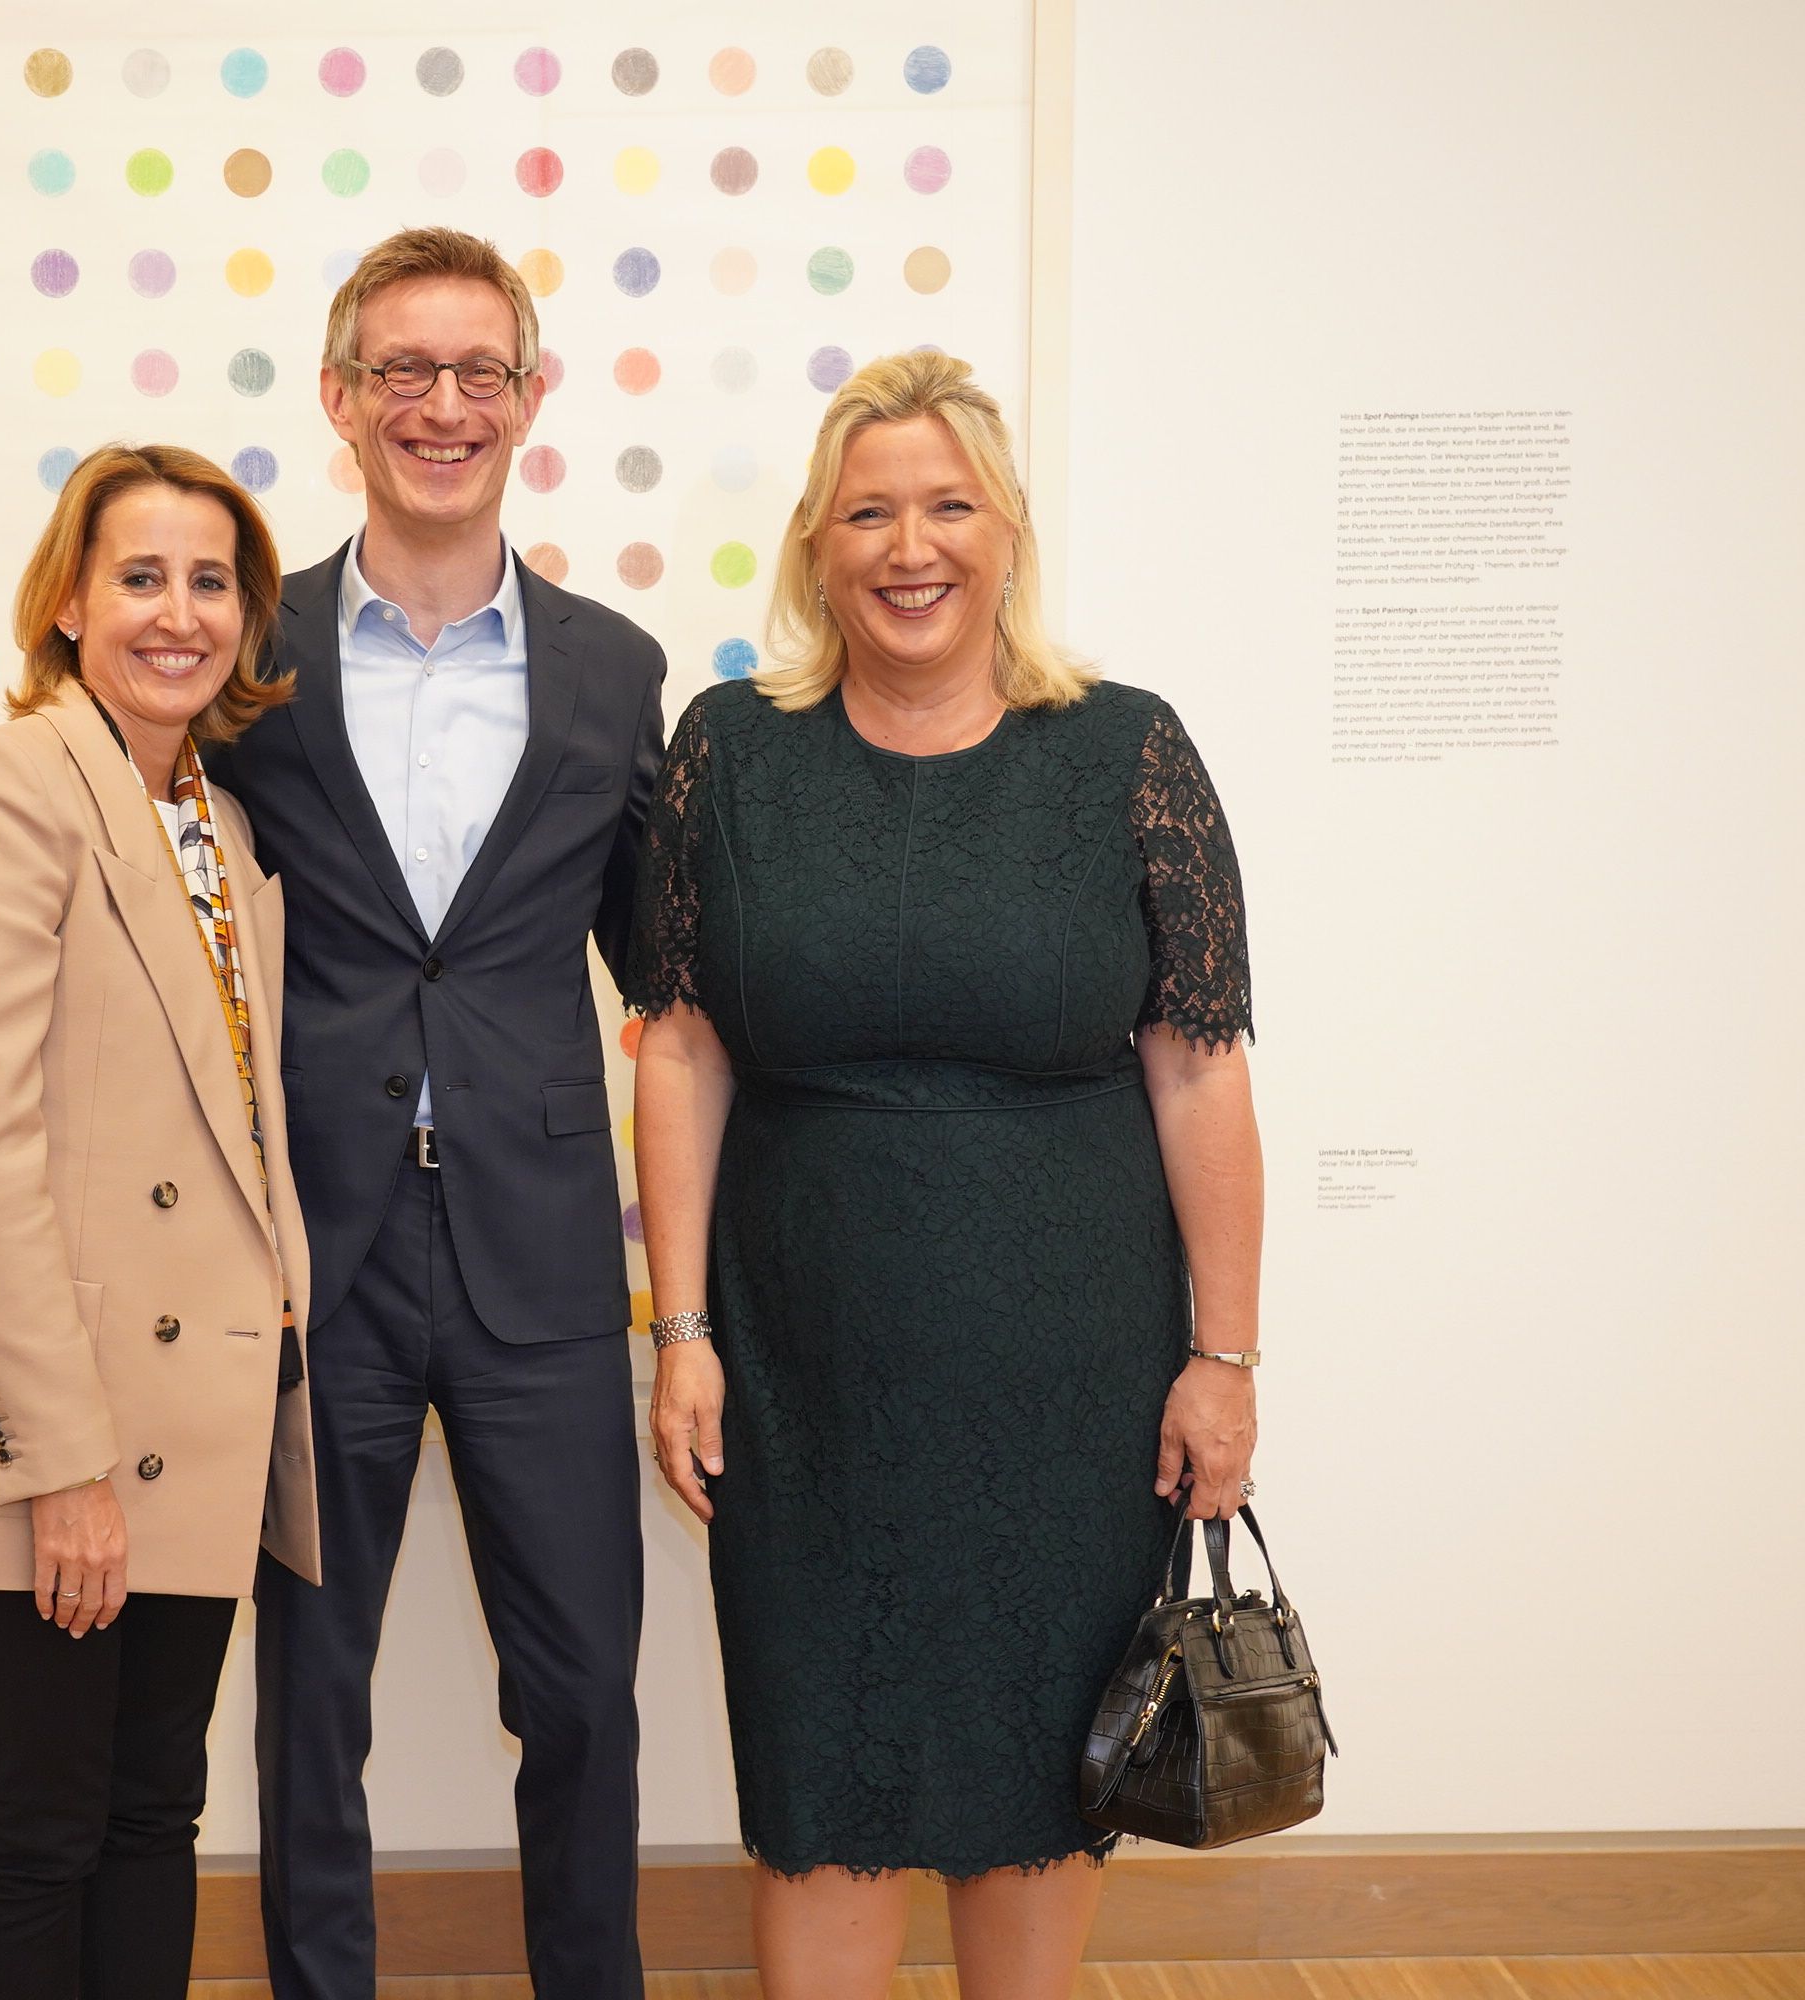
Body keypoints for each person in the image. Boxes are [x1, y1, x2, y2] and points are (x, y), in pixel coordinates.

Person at [628, 350, 1265, 2000]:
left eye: (947, 506)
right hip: (799, 1367)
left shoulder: (1128, 751)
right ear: (816, 549)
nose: (910, 547)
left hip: (1072, 1380)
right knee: (818, 1782)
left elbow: (1198, 1068)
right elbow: (680, 1048)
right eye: (869, 513)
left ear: (1007, 536)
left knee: (1041, 1791)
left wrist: (1227, 1357)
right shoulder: (729, 755)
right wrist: (678, 1332)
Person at [204, 226, 667, 2000]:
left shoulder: (621, 672)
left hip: (544, 1264)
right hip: (316, 1264)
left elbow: (668, 986)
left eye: (481, 372)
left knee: (582, 1695)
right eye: (404, 370)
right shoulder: (243, 658)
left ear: (534, 402)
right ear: (339, 399)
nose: (443, 405)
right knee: (314, 1693)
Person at [0, 443, 318, 1999]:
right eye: (139, 577)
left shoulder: (221, 826)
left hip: (191, 1413)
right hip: (55, 1427)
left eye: (210, 582)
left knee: (152, 1815)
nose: (177, 613)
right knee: (44, 1826)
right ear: (64, 602)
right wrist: (62, 1467)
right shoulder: (4, 786)